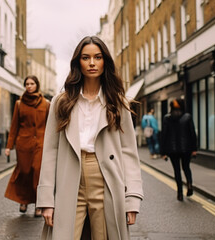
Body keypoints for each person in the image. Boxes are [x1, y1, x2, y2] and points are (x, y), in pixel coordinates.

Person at [36, 36, 144, 240]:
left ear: (105, 61)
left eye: (98, 57)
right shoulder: (61, 102)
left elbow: (129, 152)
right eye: (86, 57)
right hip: (69, 174)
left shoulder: (117, 102)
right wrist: (46, 200)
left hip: (104, 176)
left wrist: (132, 198)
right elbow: (51, 151)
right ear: (78, 62)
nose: (92, 63)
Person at [4, 75, 50, 217]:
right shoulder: (19, 104)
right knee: (24, 172)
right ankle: (23, 200)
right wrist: (8, 146)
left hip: (40, 144)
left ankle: (38, 204)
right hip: (23, 144)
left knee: (37, 171)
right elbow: (14, 126)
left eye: (32, 83)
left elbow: (50, 126)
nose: (29, 86)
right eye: (27, 84)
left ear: (37, 85)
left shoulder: (46, 104)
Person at [160, 99, 197, 201]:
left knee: (177, 171)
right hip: (186, 149)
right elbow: (192, 133)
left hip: (172, 150)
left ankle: (179, 193)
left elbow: (164, 135)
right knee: (186, 167)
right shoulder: (187, 117)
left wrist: (163, 152)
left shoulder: (167, 118)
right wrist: (194, 149)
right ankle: (189, 184)